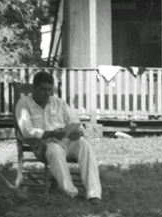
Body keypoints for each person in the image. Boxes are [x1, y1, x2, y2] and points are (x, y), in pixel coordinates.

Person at [15, 71, 102, 202]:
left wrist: (77, 132)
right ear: (34, 88)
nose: (47, 93)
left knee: (84, 145)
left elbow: (74, 121)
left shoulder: (59, 103)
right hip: (44, 144)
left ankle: (94, 193)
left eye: (50, 89)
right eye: (43, 89)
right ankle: (71, 192)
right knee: (54, 150)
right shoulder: (23, 104)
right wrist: (52, 133)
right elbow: (28, 131)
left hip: (67, 141)